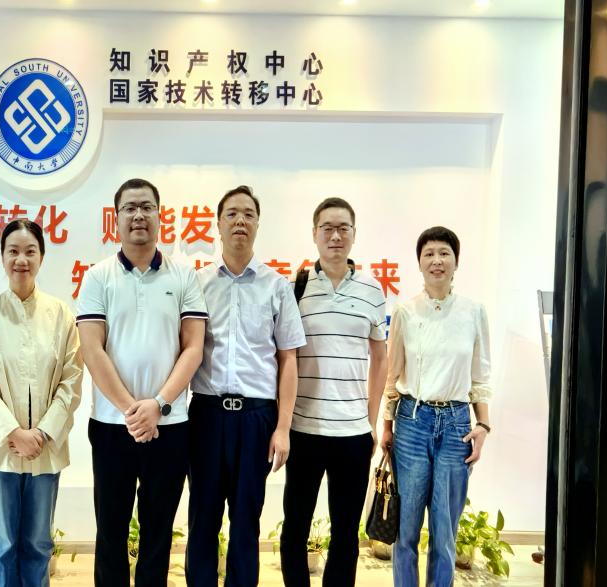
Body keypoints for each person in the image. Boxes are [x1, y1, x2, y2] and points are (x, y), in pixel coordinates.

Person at [77, 178, 208, 587]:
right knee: (110, 531)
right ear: (116, 218)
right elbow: (92, 350)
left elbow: (193, 348)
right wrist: (132, 410)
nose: (139, 215)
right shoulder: (97, 277)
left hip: (169, 426)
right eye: (130, 208)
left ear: (159, 215)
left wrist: (159, 404)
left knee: (158, 532)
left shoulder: (183, 275)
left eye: (147, 207)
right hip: (112, 427)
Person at [186, 186, 305, 587]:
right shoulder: (197, 283)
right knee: (202, 517)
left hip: (257, 418)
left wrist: (283, 427)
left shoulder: (277, 286)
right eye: (232, 214)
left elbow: (288, 360)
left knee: (246, 520)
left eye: (248, 214)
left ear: (257, 224)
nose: (240, 220)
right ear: (218, 224)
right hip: (206, 415)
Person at [0, 218, 84, 587]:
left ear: (41, 257)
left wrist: (42, 434)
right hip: (1, 450)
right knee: (4, 546)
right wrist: (14, 432)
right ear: (2, 257)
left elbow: (71, 381)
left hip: (45, 450)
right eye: (13, 251)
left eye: (30, 251)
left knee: (37, 545)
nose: (21, 259)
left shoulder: (61, 315)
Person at [280, 196, 387, 587]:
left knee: (345, 534)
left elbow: (381, 358)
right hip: (304, 430)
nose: (335, 236)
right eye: (327, 228)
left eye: (343, 228)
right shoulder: (295, 288)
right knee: (295, 526)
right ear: (315, 234)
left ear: (354, 234)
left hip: (353, 435)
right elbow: (284, 357)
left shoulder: (373, 290)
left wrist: (370, 420)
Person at [381, 226, 492, 587]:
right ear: (419, 263)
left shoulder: (474, 312)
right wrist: (386, 427)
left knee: (445, 532)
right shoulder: (405, 311)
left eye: (444, 253)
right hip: (412, 422)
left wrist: (483, 426)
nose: (436, 260)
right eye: (428, 253)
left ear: (456, 261)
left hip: (457, 425)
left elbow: (480, 376)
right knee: (406, 531)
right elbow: (393, 374)